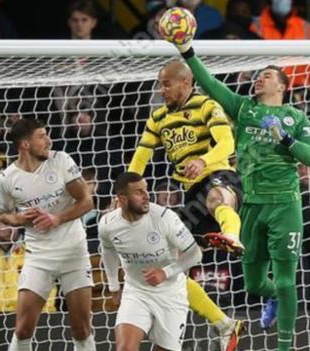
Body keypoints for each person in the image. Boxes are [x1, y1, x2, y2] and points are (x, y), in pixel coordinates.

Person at [170, 36, 310, 351]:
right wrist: (187, 51)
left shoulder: (296, 117)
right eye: (257, 75)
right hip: (251, 204)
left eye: (266, 75)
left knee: (284, 279)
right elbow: (209, 83)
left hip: (285, 205)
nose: (259, 79)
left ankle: (284, 346)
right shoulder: (243, 108)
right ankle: (277, 298)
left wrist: (285, 140)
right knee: (254, 284)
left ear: (281, 86)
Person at [128, 60, 244, 350]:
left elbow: (227, 144)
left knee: (217, 197)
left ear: (185, 82)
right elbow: (141, 157)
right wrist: (126, 190)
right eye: (160, 84)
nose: (161, 90)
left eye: (166, 84)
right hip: (190, 194)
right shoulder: (158, 118)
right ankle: (224, 323)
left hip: (219, 174)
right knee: (169, 266)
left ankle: (231, 235)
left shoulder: (207, 106)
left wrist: (203, 160)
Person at [0, 118, 96, 351]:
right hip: (39, 257)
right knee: (22, 329)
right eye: (42, 136)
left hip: (73, 252)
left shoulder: (61, 161)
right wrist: (19, 220)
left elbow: (86, 201)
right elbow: (3, 215)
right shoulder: (7, 179)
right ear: (25, 145)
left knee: (81, 329)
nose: (48, 140)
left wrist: (57, 218)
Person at [98, 172, 203, 351]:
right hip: (136, 292)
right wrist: (114, 286)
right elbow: (108, 251)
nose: (147, 196)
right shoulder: (108, 223)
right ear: (122, 199)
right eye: (139, 192)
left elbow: (195, 254)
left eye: (146, 190)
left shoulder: (164, 218)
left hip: (171, 294)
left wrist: (165, 272)